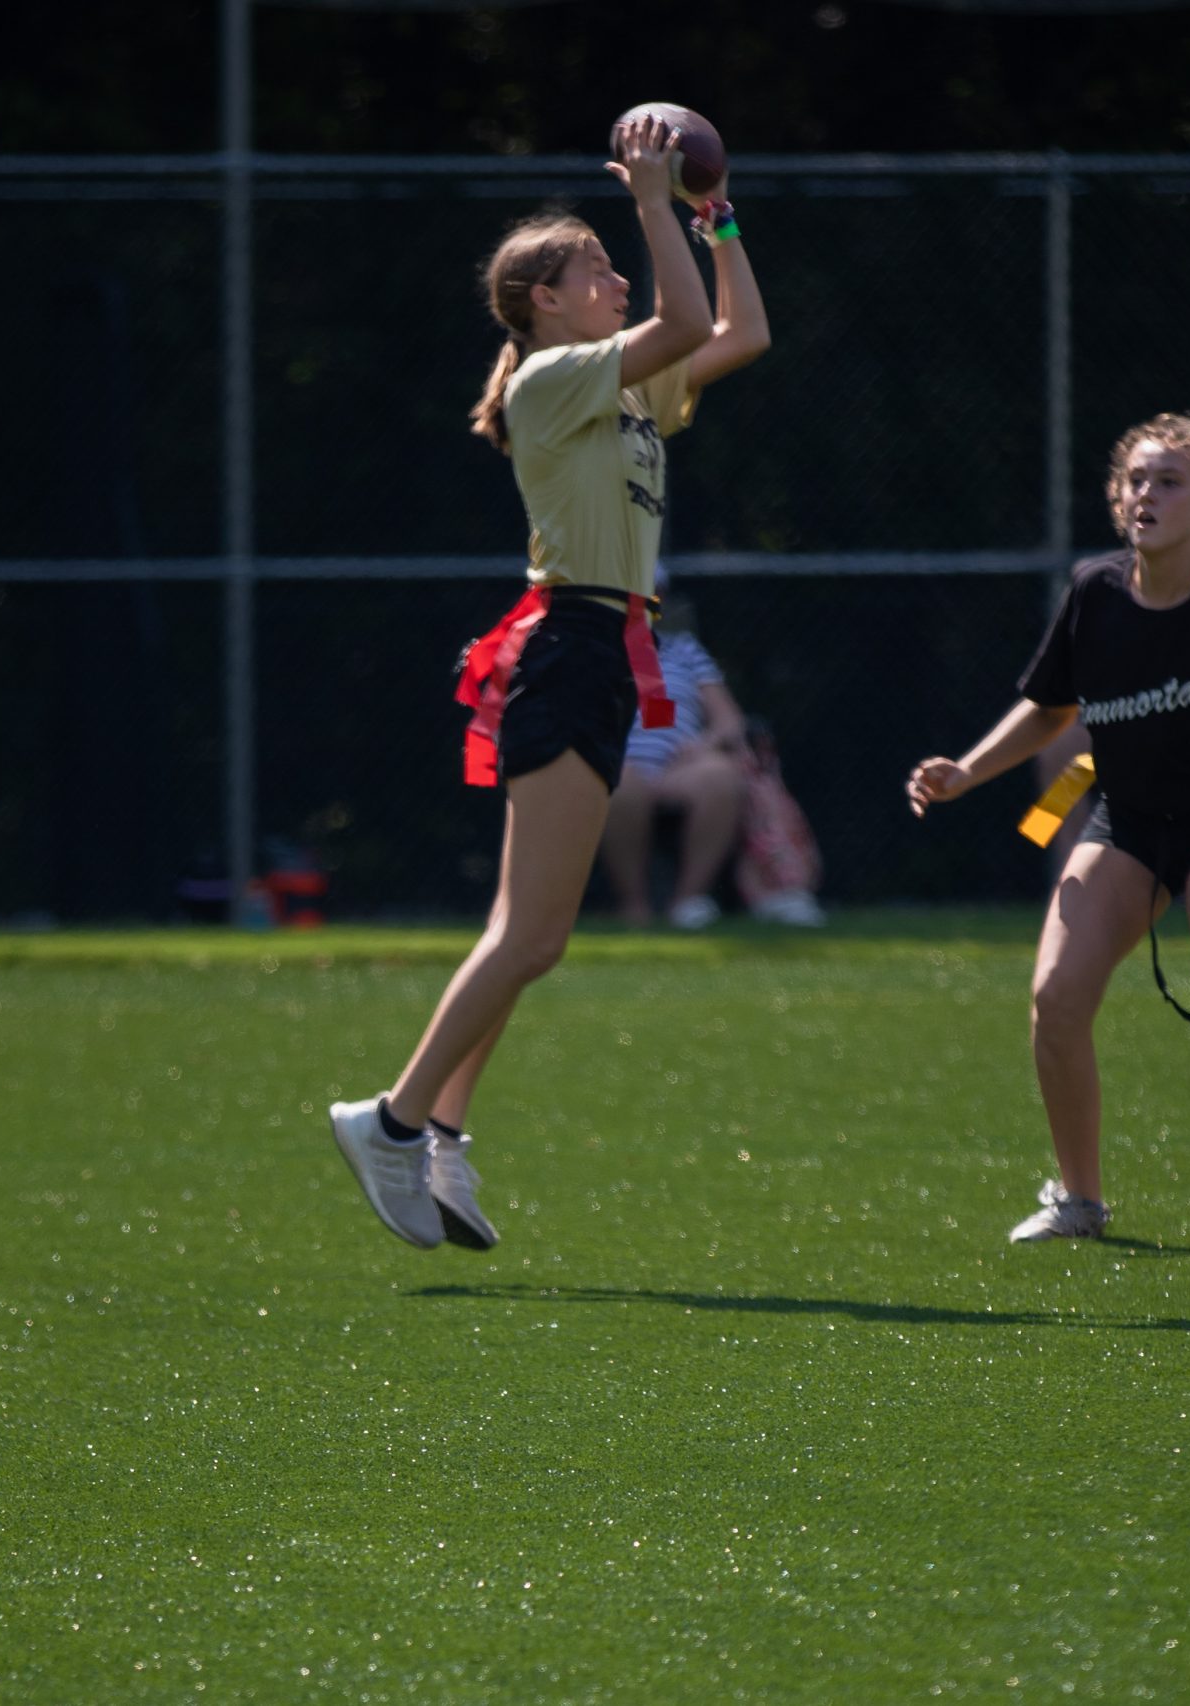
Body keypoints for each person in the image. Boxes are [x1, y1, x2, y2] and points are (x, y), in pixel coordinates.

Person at [326, 113, 771, 1251]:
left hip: (598, 651)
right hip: (569, 649)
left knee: (520, 932)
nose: (617, 277)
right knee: (533, 938)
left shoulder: (618, 391)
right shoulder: (552, 379)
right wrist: (654, 195)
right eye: (595, 270)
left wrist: (712, 213)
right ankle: (390, 1118)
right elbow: (679, 316)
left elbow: (737, 331)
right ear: (544, 303)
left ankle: (442, 1141)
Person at [906, 415, 1190, 1243]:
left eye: (1169, 481)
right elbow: (1048, 706)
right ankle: (1080, 1201)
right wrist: (967, 771)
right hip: (1125, 822)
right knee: (1054, 997)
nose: (1146, 495)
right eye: (1136, 479)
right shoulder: (1094, 593)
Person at [600, 566, 758, 930]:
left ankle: (687, 905)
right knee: (621, 782)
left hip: (680, 769)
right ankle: (634, 908)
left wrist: (704, 746)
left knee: (721, 776)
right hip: (617, 764)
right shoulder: (593, 653)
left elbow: (729, 722)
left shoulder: (686, 651)